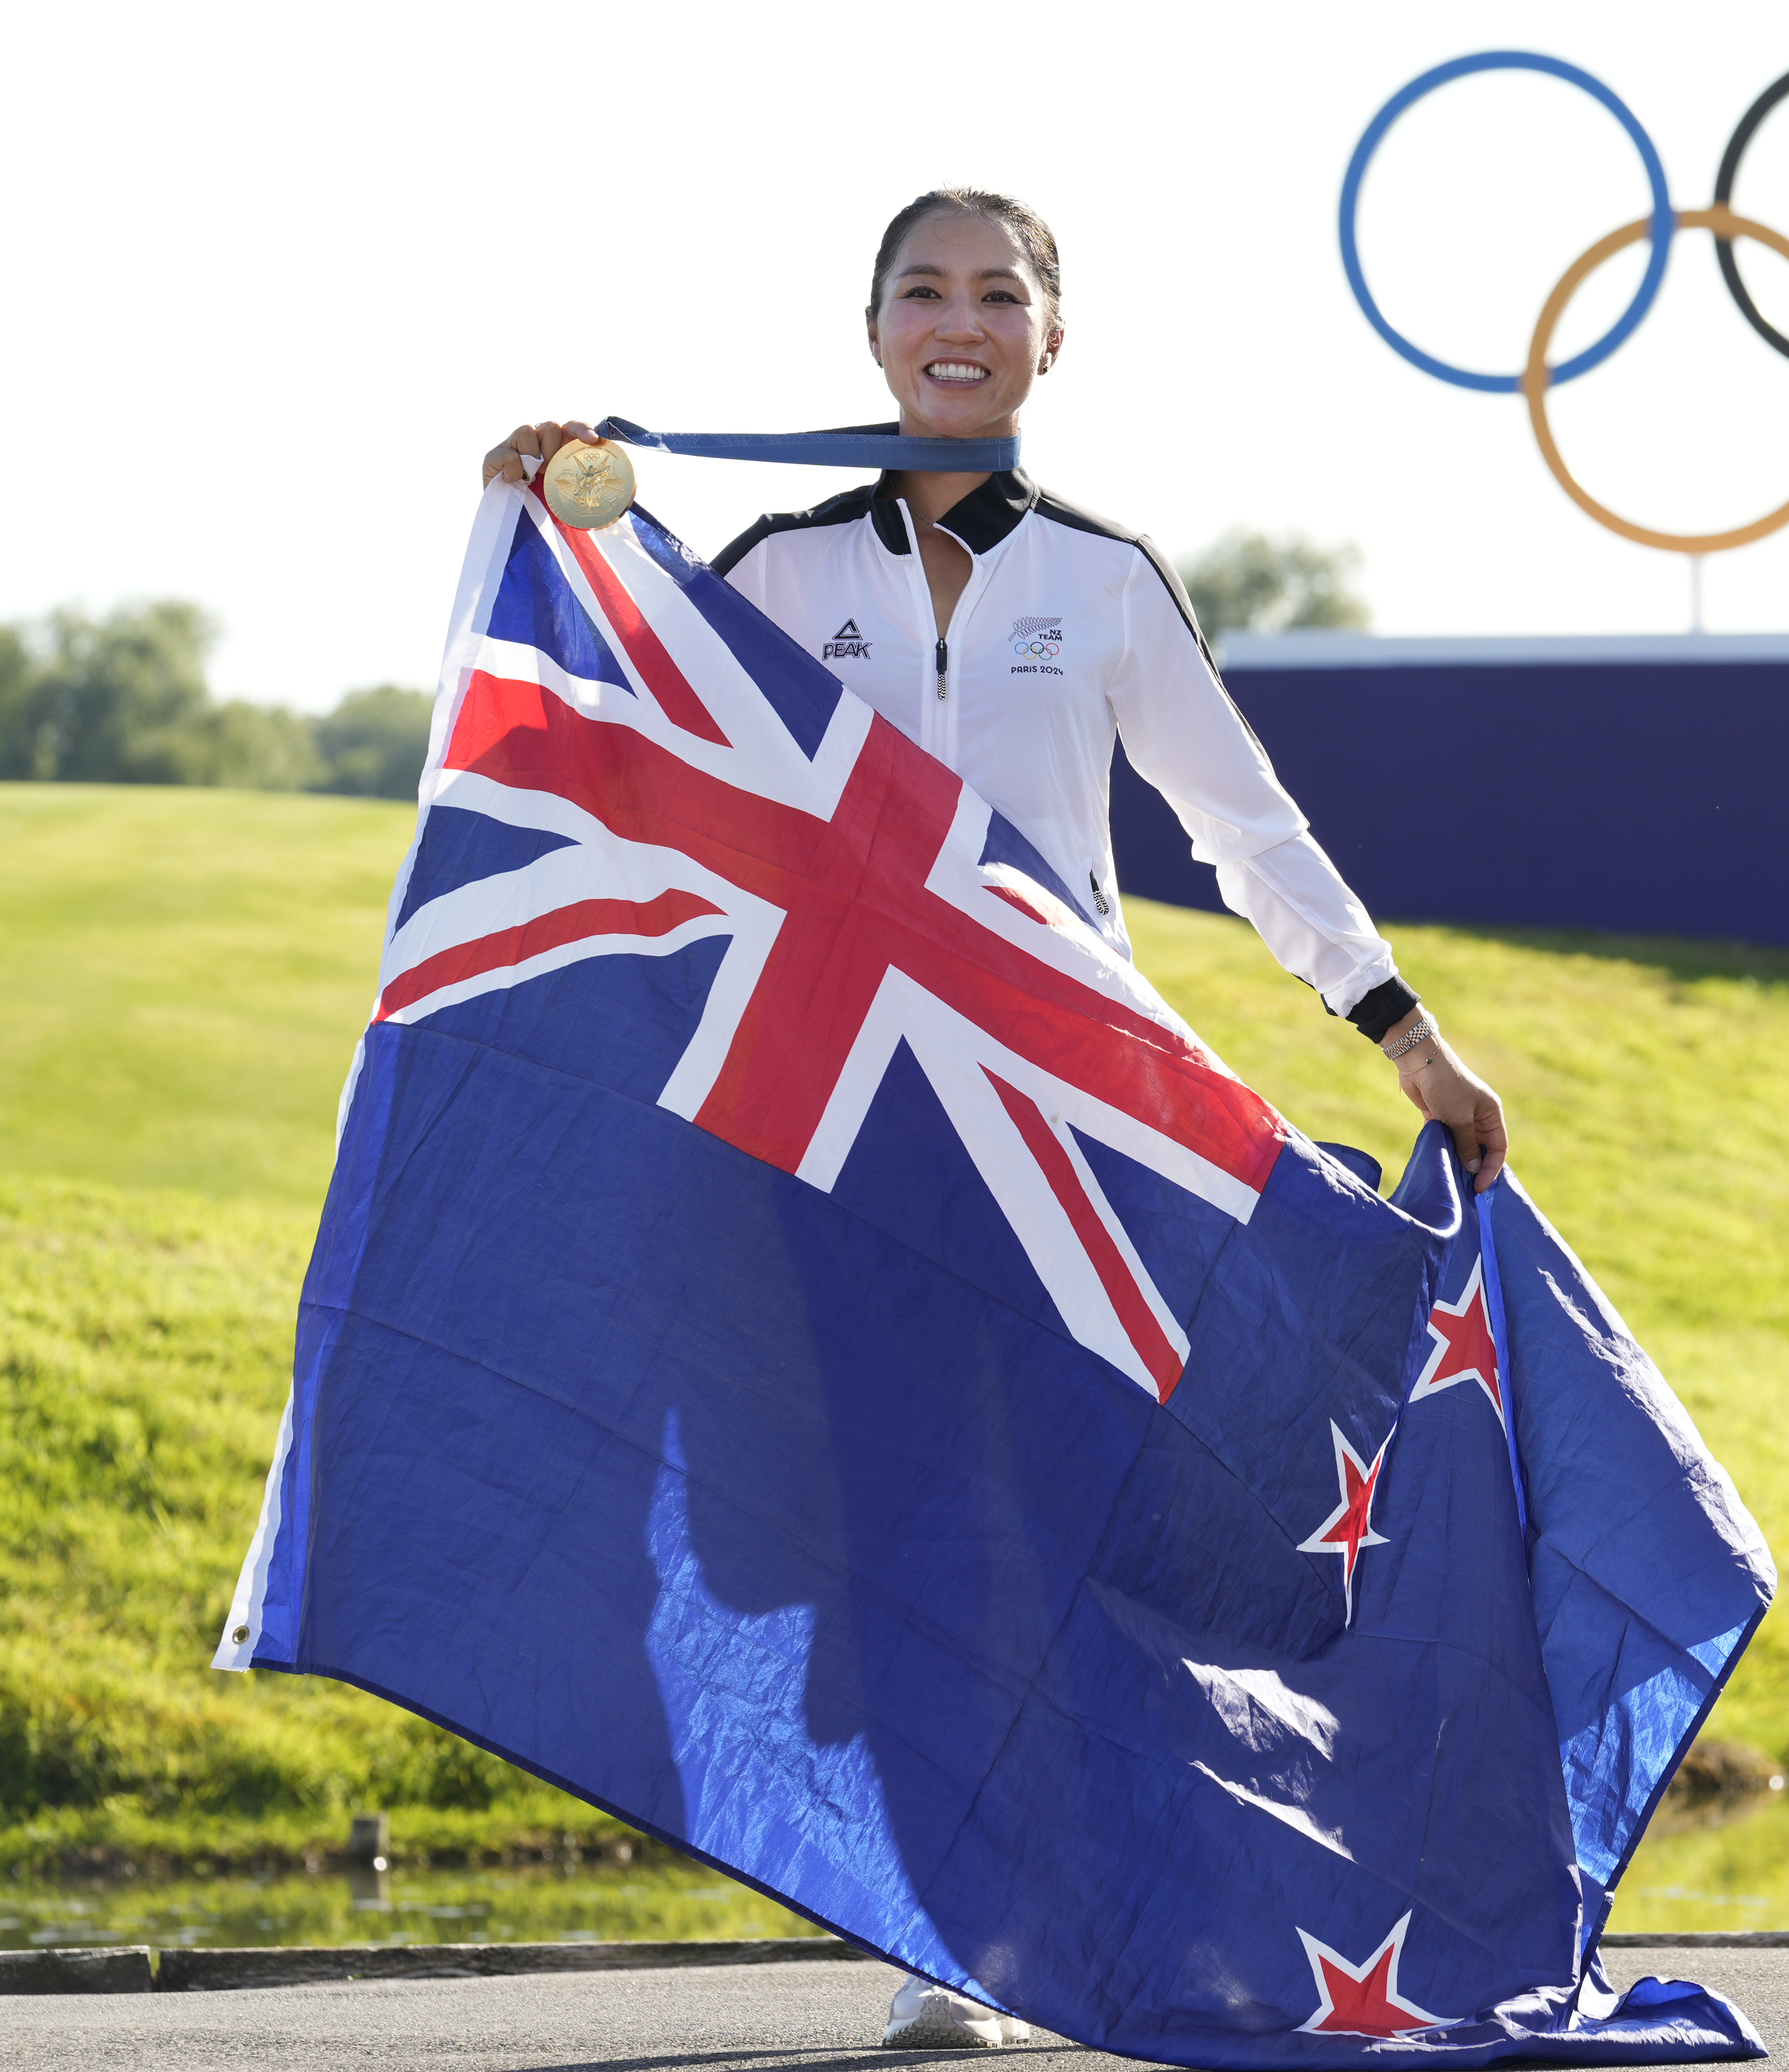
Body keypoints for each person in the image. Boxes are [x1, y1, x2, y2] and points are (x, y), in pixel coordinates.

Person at [481, 189, 1508, 2050]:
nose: (960, 320)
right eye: (923, 292)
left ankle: (1019, 1927)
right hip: (855, 1123)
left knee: (1045, 1517)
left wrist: (1406, 1036)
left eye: (999, 293)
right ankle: (970, 1910)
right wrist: (529, 513)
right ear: (872, 330)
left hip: (1077, 1119)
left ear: (1053, 337)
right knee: (872, 1524)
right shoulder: (783, 568)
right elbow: (619, 740)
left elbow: (1247, 828)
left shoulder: (1105, 581)